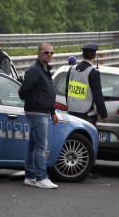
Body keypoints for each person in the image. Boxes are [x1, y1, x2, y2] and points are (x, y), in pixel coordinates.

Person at [18, 42, 59, 189]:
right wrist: (35, 101)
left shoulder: (44, 70)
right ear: (39, 53)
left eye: (51, 53)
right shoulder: (35, 70)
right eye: (46, 52)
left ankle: (30, 176)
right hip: (37, 112)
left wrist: (52, 111)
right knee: (42, 145)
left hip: (42, 111)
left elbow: (46, 93)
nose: (49, 55)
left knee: (33, 145)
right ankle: (41, 177)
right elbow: (23, 91)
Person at [66, 42, 108, 125]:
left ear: (82, 55)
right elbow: (98, 96)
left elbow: (67, 90)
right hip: (86, 115)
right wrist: (104, 115)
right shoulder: (93, 73)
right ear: (95, 56)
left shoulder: (71, 69)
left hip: (71, 112)